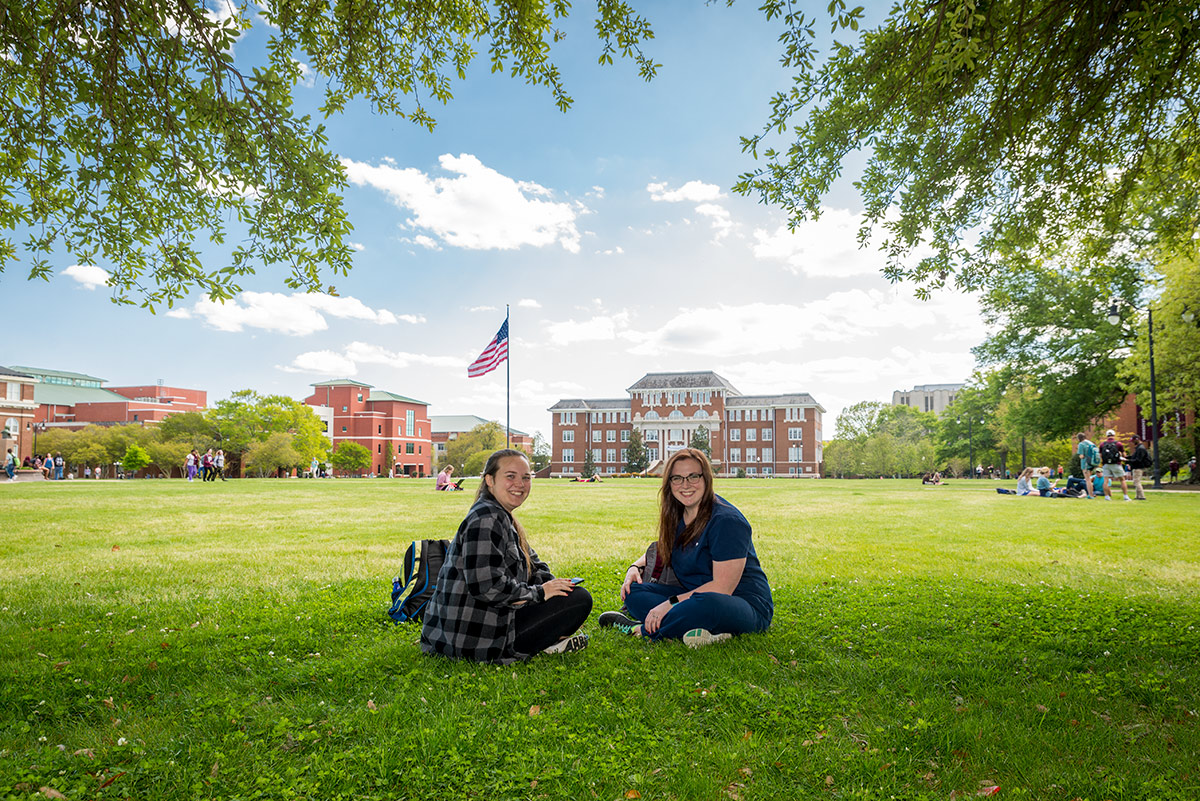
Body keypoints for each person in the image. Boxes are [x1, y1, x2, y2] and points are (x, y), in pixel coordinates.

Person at [421, 449, 591, 663]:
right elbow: (486, 587)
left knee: (571, 597)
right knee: (580, 600)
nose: (520, 484)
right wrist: (540, 594)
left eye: (526, 477)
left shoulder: (501, 515)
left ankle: (551, 637)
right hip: (473, 637)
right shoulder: (485, 519)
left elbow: (534, 565)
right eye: (510, 476)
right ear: (490, 480)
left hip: (489, 620)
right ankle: (548, 642)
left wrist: (555, 589)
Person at [599, 448, 773, 647]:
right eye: (677, 478)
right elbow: (662, 549)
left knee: (704, 605)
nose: (686, 485)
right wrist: (634, 568)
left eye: (693, 476)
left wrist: (669, 603)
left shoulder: (727, 521)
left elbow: (723, 589)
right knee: (634, 592)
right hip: (692, 594)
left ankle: (639, 629)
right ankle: (699, 631)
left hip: (738, 602)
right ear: (669, 483)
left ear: (706, 478)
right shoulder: (678, 513)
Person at [1097, 429, 1130, 501]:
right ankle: (1125, 496)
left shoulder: (1102, 444)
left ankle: (1106, 497)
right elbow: (1124, 454)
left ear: (1107, 436)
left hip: (1106, 464)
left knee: (1105, 480)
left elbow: (1100, 455)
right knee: (1122, 479)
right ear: (1114, 435)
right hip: (1116, 464)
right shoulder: (1118, 444)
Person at [1127, 435, 1151, 501]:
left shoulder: (1140, 449)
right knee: (1136, 482)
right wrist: (1127, 457)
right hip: (1136, 467)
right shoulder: (1139, 448)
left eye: (1133, 441)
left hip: (1138, 467)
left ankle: (1142, 496)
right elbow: (1134, 457)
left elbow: (1138, 459)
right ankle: (1138, 496)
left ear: (1137, 440)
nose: (1132, 443)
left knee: (1137, 482)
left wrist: (1128, 461)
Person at [1076, 432, 1099, 498]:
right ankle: (1091, 493)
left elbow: (1082, 456)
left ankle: (1090, 495)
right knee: (1090, 479)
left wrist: (1080, 457)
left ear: (1079, 438)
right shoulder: (1090, 443)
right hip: (1092, 463)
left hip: (1085, 464)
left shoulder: (1081, 444)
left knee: (1087, 480)